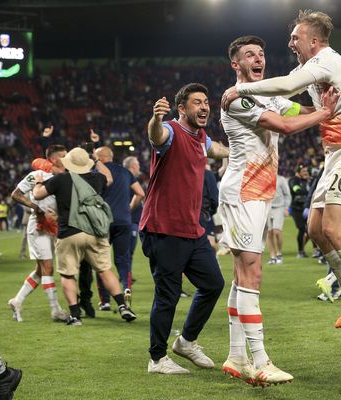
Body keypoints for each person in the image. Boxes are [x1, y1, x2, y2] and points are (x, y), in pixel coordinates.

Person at [221, 10, 341, 341]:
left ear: (313, 41)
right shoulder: (310, 68)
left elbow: (285, 86)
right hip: (335, 156)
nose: (290, 43)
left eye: (295, 38)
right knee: (314, 228)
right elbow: (295, 103)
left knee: (332, 227)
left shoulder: (326, 60)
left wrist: (239, 90)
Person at [219, 35, 340, 386]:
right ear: (236, 64)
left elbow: (298, 112)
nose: (258, 58)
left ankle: (235, 356)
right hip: (244, 194)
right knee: (251, 275)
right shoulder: (236, 99)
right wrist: (326, 113)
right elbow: (285, 126)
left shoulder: (267, 94)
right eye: (249, 55)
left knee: (242, 276)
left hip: (258, 193)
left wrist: (340, 104)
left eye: (260, 53)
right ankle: (260, 361)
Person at [141, 83, 228, 375]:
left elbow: (216, 150)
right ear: (182, 108)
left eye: (206, 102)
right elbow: (157, 135)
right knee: (167, 294)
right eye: (197, 103)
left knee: (213, 284)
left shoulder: (201, 136)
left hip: (193, 230)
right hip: (164, 228)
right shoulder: (170, 131)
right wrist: (155, 118)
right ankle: (157, 359)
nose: (204, 107)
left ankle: (186, 341)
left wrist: (247, 148)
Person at [32, 147, 137, 326]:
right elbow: (109, 177)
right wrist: (97, 161)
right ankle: (122, 306)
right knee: (105, 270)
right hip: (95, 232)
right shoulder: (97, 179)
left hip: (69, 233)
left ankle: (75, 316)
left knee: (68, 275)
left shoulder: (60, 179)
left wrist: (38, 182)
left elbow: (37, 195)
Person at [9, 144, 69, 322]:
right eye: (62, 155)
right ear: (53, 158)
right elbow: (16, 194)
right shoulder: (37, 175)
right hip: (39, 226)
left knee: (41, 270)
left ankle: (17, 301)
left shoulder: (64, 176)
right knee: (48, 268)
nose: (66, 158)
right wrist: (36, 208)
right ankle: (55, 310)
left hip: (55, 226)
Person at [93, 146, 145, 310]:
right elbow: (140, 193)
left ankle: (105, 300)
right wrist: (129, 209)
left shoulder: (96, 173)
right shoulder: (125, 172)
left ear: (99, 158)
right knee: (123, 260)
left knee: (102, 261)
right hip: (124, 221)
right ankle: (126, 289)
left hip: (103, 222)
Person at [266, 174, 291, 264]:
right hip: (267, 207)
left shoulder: (281, 179)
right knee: (269, 232)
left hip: (279, 207)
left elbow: (287, 194)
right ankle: (272, 256)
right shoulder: (263, 178)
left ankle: (279, 253)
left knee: (277, 231)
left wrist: (286, 207)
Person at [288, 165, 311, 258]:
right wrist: (309, 193)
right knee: (302, 228)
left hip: (305, 208)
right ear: (298, 172)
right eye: (303, 171)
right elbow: (296, 190)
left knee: (310, 230)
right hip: (296, 209)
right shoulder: (294, 180)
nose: (306, 173)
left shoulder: (306, 181)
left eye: (306, 171)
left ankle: (302, 249)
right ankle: (300, 252)